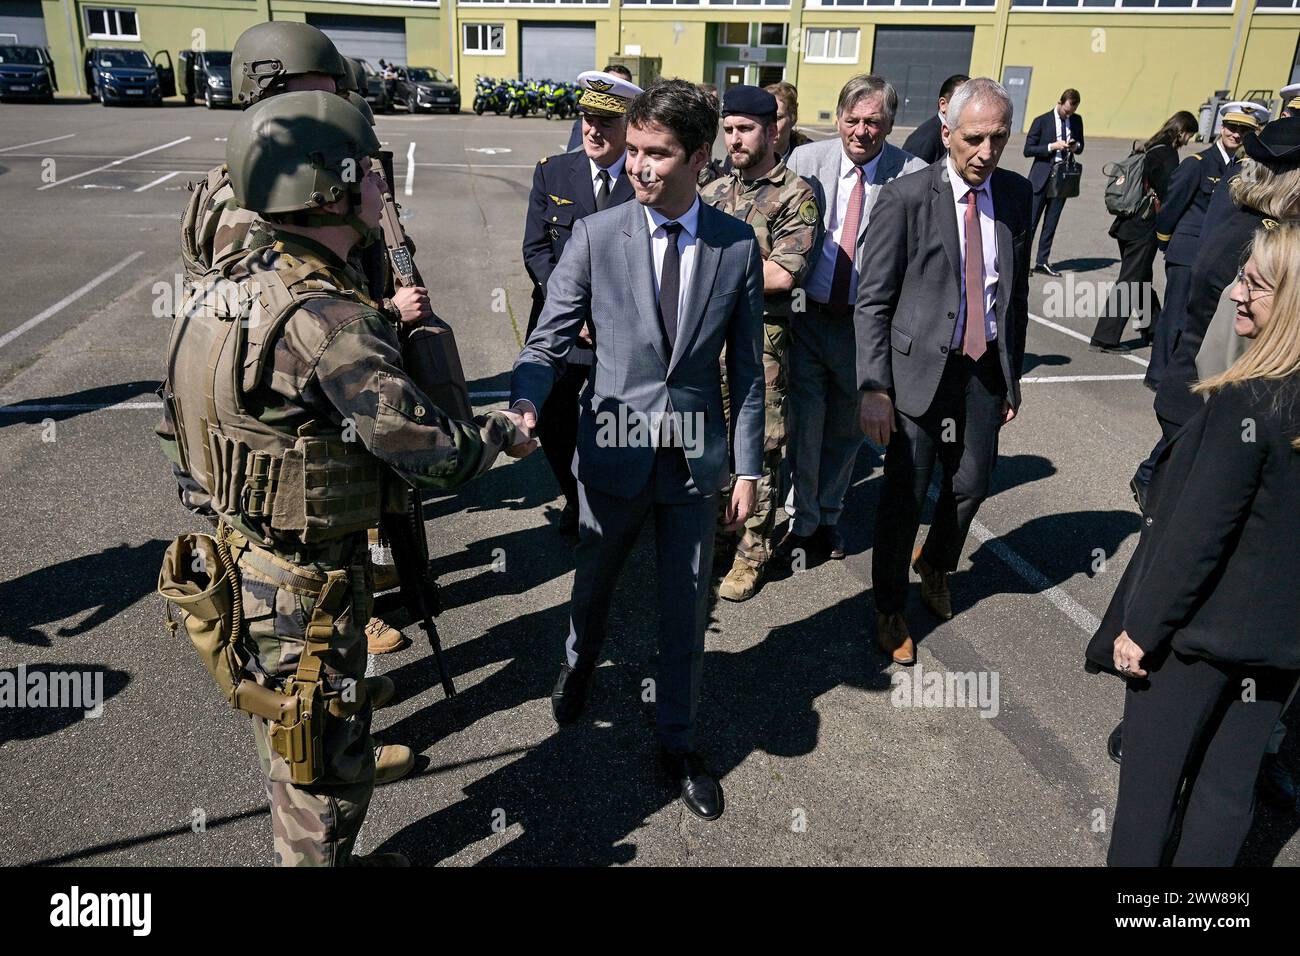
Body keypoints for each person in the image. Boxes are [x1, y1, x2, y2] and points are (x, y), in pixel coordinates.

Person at [157, 91, 534, 865]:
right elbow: (433, 452)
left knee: (295, 742)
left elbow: (183, 424)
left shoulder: (230, 278)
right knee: (320, 780)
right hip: (305, 589)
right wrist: (502, 433)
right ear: (329, 188)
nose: (380, 187)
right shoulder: (329, 320)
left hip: (242, 558)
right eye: (368, 171)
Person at [510, 80, 765, 821]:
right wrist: (527, 400)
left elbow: (746, 370)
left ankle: (678, 742)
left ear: (698, 157)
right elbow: (546, 341)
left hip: (693, 458)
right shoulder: (596, 236)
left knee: (686, 607)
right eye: (635, 152)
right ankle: (577, 667)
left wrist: (747, 466)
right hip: (614, 452)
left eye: (658, 155)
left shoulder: (735, 245)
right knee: (595, 586)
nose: (639, 168)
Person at [1086, 221, 1300, 867]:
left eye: (1255, 285)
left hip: (1196, 640)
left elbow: (1196, 536)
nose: (1236, 292)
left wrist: (1142, 628)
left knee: (1149, 796)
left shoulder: (1248, 403)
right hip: (1278, 644)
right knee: (1226, 794)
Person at [856, 78, 1032, 665]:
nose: (986, 152)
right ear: (948, 133)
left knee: (972, 483)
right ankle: (888, 607)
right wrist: (875, 386)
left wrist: (1011, 376)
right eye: (974, 138)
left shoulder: (1014, 195)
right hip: (914, 375)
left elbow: (1016, 293)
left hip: (980, 370)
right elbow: (873, 300)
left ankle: (935, 561)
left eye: (998, 139)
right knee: (903, 496)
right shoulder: (906, 198)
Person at [782, 75, 926, 565]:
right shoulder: (805, 162)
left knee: (848, 426)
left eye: (873, 122)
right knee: (804, 422)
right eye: (853, 119)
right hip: (806, 315)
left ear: (889, 124)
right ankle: (802, 523)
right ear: (838, 118)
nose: (861, 131)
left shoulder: (913, 173)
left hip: (864, 327)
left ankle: (828, 513)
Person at [700, 85, 822, 601]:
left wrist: (713, 271)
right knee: (710, 446)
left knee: (762, 449)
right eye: (728, 130)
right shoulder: (709, 190)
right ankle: (720, 538)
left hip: (761, 347)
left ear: (772, 130)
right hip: (707, 344)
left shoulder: (796, 193)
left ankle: (754, 553)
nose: (734, 139)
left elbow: (783, 273)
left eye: (745, 129)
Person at [523, 69, 642, 538]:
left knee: (617, 417)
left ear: (629, 127)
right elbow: (536, 250)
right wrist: (573, 313)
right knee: (552, 415)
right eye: (588, 118)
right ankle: (574, 496)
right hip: (562, 323)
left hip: (621, 327)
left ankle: (613, 499)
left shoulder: (645, 181)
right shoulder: (553, 171)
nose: (593, 130)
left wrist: (603, 315)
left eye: (606, 122)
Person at [1147, 102, 1260, 387]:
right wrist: (1165, 241)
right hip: (1187, 250)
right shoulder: (1197, 163)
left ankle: (1179, 372)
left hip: (1213, 254)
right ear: (1221, 128)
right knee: (1174, 316)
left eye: (1243, 131)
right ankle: (1157, 374)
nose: (1236, 134)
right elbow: (1172, 205)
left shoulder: (1243, 169)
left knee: (1195, 316)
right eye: (1232, 128)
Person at [1088, 111, 1198, 353]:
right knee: (1130, 280)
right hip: (1144, 226)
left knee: (1140, 278)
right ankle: (1104, 338)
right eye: (1189, 135)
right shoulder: (1167, 154)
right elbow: (1169, 193)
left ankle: (1154, 329)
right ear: (1181, 131)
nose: (1188, 141)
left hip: (1127, 222)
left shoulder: (1150, 146)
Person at [1024, 89, 1084, 277]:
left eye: (1072, 112)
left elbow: (1081, 145)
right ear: (1060, 102)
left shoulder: (1076, 120)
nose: (1069, 115)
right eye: (1066, 111)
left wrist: (1075, 146)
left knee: (1051, 223)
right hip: (1041, 177)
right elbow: (1028, 149)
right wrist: (1052, 146)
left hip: (1062, 179)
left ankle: (1042, 261)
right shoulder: (1041, 120)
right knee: (1030, 223)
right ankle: (1022, 262)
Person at [565, 63, 635, 151]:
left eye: (622, 87)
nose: (593, 131)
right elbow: (573, 156)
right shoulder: (584, 125)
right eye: (611, 82)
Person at [902, 73, 968, 164]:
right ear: (943, 105)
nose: (970, 109)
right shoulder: (924, 141)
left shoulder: (959, 133)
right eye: (964, 103)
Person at [766, 81, 814, 163]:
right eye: (763, 117)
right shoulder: (744, 155)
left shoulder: (811, 155)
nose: (769, 126)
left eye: (777, 118)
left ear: (793, 117)